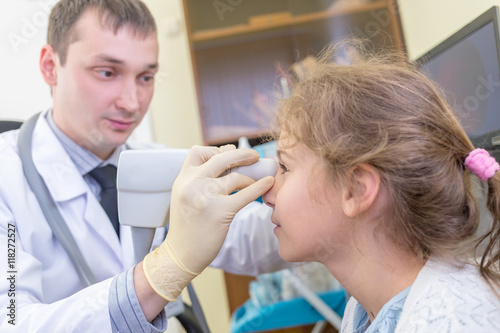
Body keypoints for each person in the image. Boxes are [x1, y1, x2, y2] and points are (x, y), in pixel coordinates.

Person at [0, 0, 285, 331]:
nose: (132, 103)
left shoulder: (156, 165)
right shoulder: (7, 179)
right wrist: (162, 273)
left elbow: (249, 242)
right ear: (50, 65)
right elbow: (11, 322)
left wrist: (313, 193)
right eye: (107, 72)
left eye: (146, 76)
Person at [261, 42, 500, 332]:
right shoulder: (363, 310)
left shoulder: (449, 320)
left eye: (285, 168)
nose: (268, 194)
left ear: (357, 189)